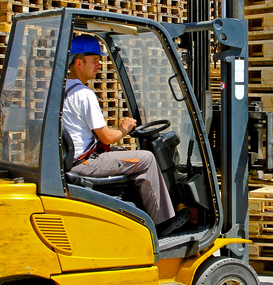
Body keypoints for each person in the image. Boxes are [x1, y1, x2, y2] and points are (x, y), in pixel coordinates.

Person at [62, 35, 189, 237]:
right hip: (84, 162)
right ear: (79, 62)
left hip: (77, 157)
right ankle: (163, 222)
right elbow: (106, 137)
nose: (98, 65)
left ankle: (138, 214)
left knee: (125, 154)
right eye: (95, 60)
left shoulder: (64, 89)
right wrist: (124, 128)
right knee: (146, 159)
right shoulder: (83, 94)